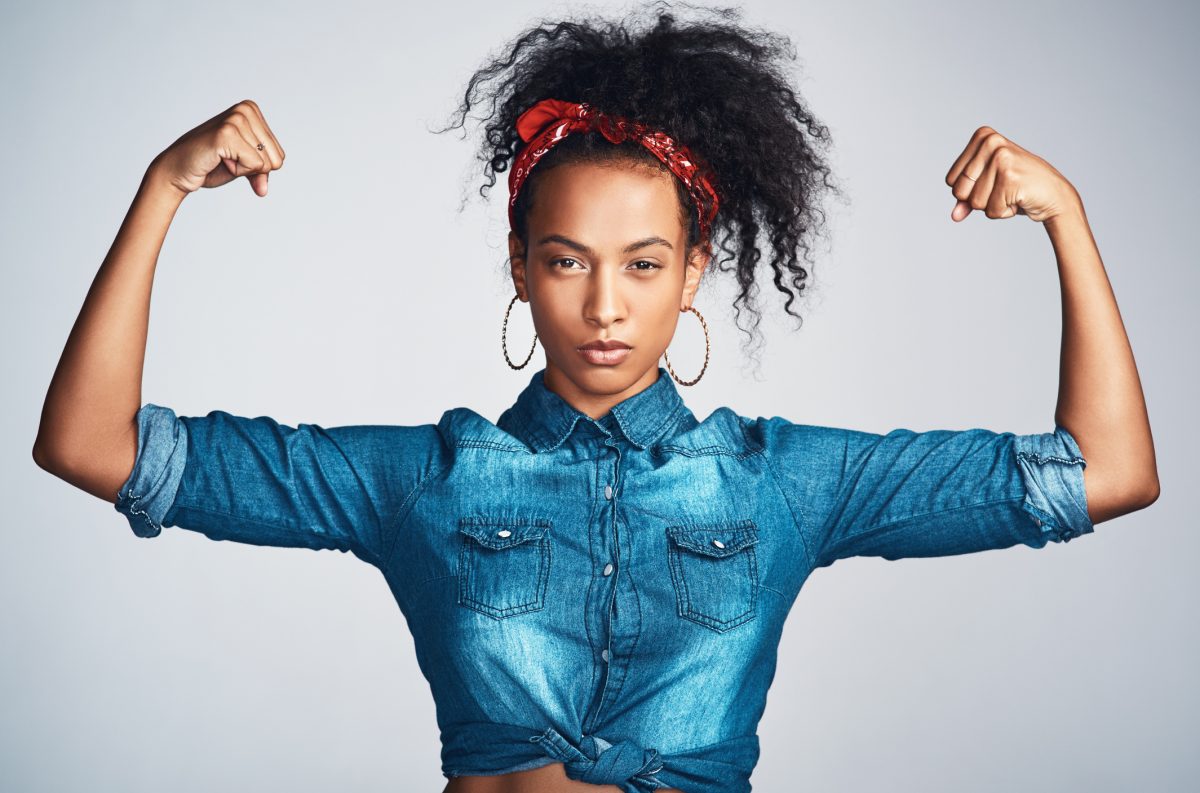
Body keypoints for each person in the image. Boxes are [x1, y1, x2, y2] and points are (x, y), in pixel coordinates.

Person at [32, 4, 1159, 793]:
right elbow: (92, 445)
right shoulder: (422, 479)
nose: (606, 307)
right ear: (520, 269)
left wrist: (1068, 218)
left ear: (696, 269)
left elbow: (1106, 474)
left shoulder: (786, 481)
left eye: (644, 264)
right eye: (568, 260)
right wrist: (163, 188)